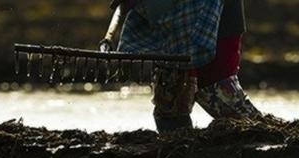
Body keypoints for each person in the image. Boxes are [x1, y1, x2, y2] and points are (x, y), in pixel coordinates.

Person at [107, 0, 261, 133]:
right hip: (170, 29)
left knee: (219, 94)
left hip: (213, 24)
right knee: (170, 106)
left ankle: (271, 140)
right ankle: (181, 154)